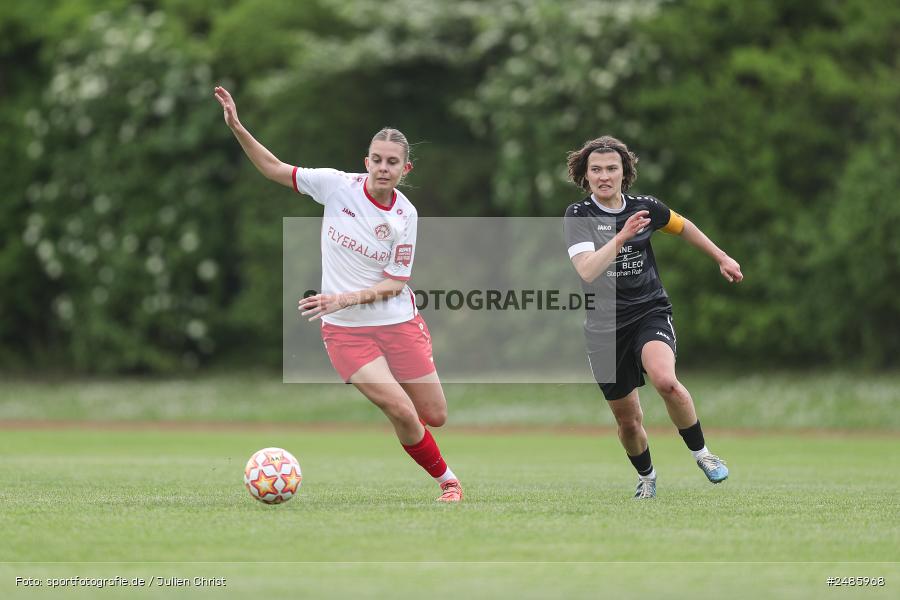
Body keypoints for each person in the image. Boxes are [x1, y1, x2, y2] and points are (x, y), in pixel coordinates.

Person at [214, 86, 463, 502]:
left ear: (406, 169)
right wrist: (238, 127)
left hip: (398, 322)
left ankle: (417, 431)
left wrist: (343, 297)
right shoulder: (335, 186)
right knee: (400, 409)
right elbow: (275, 168)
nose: (383, 168)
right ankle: (449, 482)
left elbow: (395, 283)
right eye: (377, 160)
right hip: (346, 332)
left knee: (434, 414)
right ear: (366, 162)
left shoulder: (405, 215)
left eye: (393, 163)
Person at [563, 135, 743, 499]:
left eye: (611, 168)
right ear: (585, 176)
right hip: (604, 328)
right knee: (628, 421)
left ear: (624, 173)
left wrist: (721, 257)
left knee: (666, 381)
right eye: (595, 170)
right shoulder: (578, 216)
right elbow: (587, 271)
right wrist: (621, 236)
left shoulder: (646, 207)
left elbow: (683, 225)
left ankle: (703, 455)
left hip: (649, 311)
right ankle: (646, 476)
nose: (603, 176)